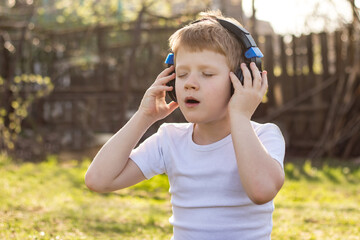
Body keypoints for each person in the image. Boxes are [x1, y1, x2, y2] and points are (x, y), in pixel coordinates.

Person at [85, 10, 285, 240]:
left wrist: (239, 115)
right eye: (181, 74)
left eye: (207, 74)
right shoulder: (169, 139)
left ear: (240, 80)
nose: (190, 84)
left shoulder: (265, 136)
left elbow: (261, 191)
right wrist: (144, 116)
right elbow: (98, 180)